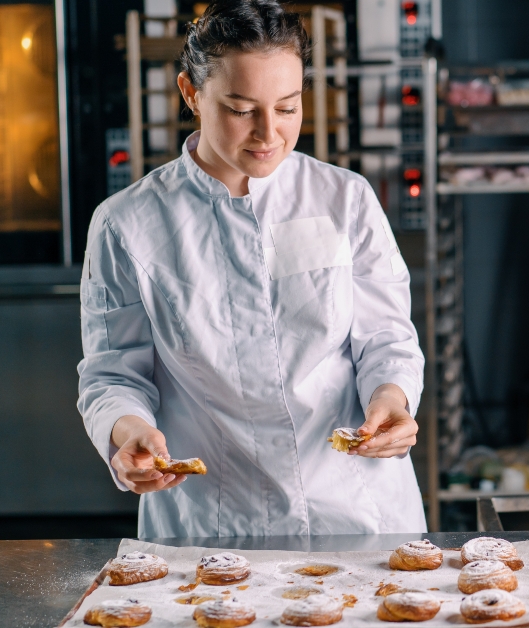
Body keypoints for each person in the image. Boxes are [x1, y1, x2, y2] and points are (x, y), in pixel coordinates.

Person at [77, 0, 425, 537]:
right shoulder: (127, 225)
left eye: (287, 108)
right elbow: (113, 373)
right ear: (192, 93)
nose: (268, 134)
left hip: (356, 513)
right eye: (241, 110)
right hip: (210, 522)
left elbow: (386, 339)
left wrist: (391, 399)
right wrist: (129, 432)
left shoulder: (345, 200)